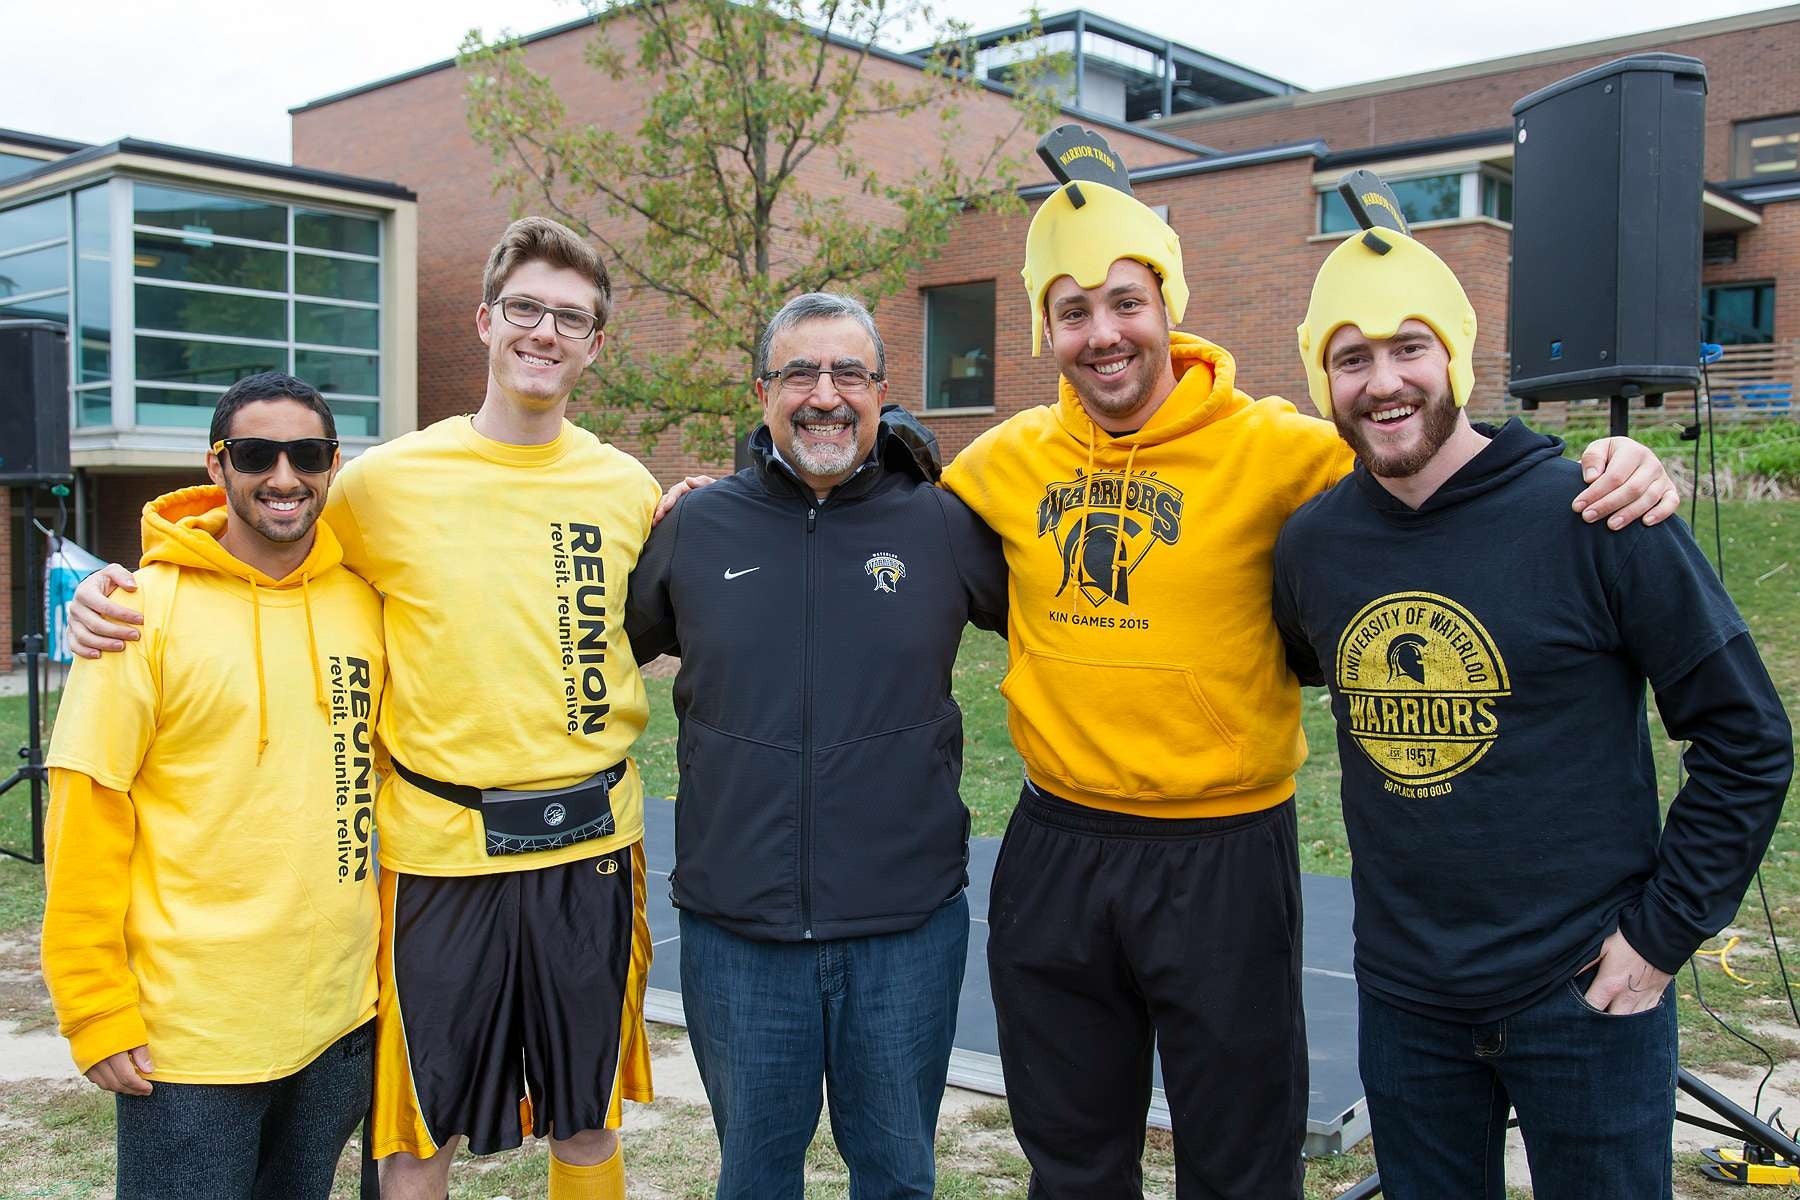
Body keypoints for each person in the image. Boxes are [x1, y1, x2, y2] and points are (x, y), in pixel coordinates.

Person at [933, 126, 1681, 1198]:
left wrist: (1615, 458)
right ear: (1044, 326)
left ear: (1170, 308)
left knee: (1243, 1159)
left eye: (1127, 301)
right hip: (1059, 842)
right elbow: (886, 525)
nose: (1103, 333)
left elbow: (1436, 449)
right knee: (1070, 1155)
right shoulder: (1001, 460)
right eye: (1072, 309)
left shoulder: (1283, 447)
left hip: (1223, 850)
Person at [64, 217, 658, 1200]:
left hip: (590, 849)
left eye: (571, 317)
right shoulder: (384, 482)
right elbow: (260, 518)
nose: (544, 332)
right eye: (525, 308)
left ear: (596, 342)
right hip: (434, 854)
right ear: (484, 321)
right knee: (416, 1139)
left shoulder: (626, 485)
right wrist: (124, 581)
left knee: (586, 1121)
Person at [1272, 201, 1793, 1200]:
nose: (1383, 382)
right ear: (1319, 379)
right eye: (1350, 358)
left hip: (1587, 993)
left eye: (1408, 347)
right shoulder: (1313, 549)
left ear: (1457, 355)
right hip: (1406, 1001)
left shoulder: (1594, 513)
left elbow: (1747, 737)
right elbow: (1307, 664)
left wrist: (1658, 940)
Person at [626, 292, 1008, 1199]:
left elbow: (1070, 630)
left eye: (848, 373)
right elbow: (593, 652)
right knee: (755, 1179)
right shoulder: (696, 525)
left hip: (904, 930)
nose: (824, 394)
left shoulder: (943, 524)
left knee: (898, 1175)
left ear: (883, 393)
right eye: (800, 372)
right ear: (763, 391)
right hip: (738, 932)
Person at [42, 372, 385, 1199]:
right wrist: (93, 1003)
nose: (282, 476)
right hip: (191, 1033)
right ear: (216, 464)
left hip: (340, 1016)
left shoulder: (365, 602)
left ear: (332, 464)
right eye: (256, 453)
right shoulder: (137, 613)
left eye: (306, 454)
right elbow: (88, 808)